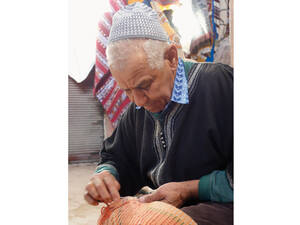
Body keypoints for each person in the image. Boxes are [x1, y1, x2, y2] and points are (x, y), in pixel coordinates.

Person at [84, 2, 233, 224]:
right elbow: (116, 156)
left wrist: (190, 190)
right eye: (127, 90)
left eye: (144, 85)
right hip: (172, 210)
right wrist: (105, 176)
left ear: (172, 58)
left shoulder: (220, 85)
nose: (138, 101)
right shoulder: (136, 110)